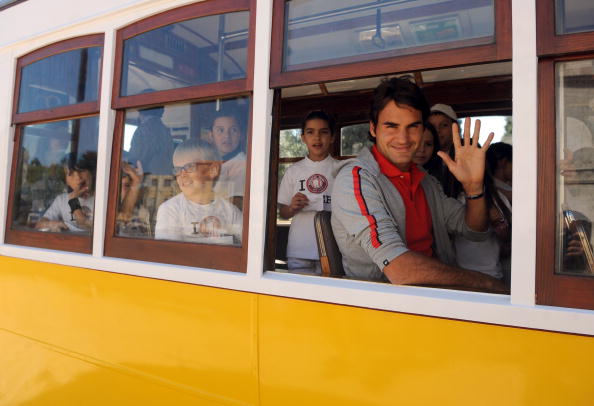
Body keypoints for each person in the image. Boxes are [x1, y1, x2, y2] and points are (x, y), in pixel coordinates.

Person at [331, 77, 506, 292]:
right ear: (374, 129)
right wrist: (487, 283)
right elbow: (400, 270)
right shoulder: (355, 179)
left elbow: (474, 231)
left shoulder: (425, 180)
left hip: (434, 297)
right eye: (391, 126)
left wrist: (474, 188)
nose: (403, 138)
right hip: (384, 306)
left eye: (413, 126)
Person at [277, 111, 338, 274]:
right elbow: (282, 213)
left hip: (332, 247)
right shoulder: (293, 171)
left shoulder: (341, 170)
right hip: (299, 249)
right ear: (303, 137)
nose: (317, 138)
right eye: (310, 132)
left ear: (332, 137)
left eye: (323, 132)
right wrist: (292, 208)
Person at [154, 139, 242, 244]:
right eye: (177, 169)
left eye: (189, 167)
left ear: (213, 170)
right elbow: (168, 254)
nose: (182, 175)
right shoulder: (170, 209)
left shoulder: (230, 212)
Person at [35, 151, 96, 233]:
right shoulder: (61, 200)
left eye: (81, 171)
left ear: (91, 174)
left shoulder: (102, 200)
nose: (78, 177)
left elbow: (86, 226)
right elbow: (39, 225)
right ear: (67, 180)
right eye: (71, 173)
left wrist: (73, 202)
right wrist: (52, 224)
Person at [209, 110, 246, 210]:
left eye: (233, 130)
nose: (227, 136)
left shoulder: (242, 164)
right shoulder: (210, 161)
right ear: (211, 135)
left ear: (241, 135)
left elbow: (236, 208)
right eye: (220, 130)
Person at [128, 105, 175, 175]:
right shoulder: (165, 130)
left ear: (141, 113)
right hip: (165, 178)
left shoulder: (143, 130)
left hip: (148, 179)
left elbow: (134, 160)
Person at [428, 103, 462, 198]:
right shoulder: (422, 158)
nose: (438, 130)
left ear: (456, 128)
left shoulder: (466, 157)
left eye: (444, 125)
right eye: (432, 126)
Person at [116, 160, 151, 237]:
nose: (123, 190)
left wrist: (136, 181)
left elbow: (125, 215)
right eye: (119, 186)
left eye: (127, 185)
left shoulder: (142, 212)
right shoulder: (108, 207)